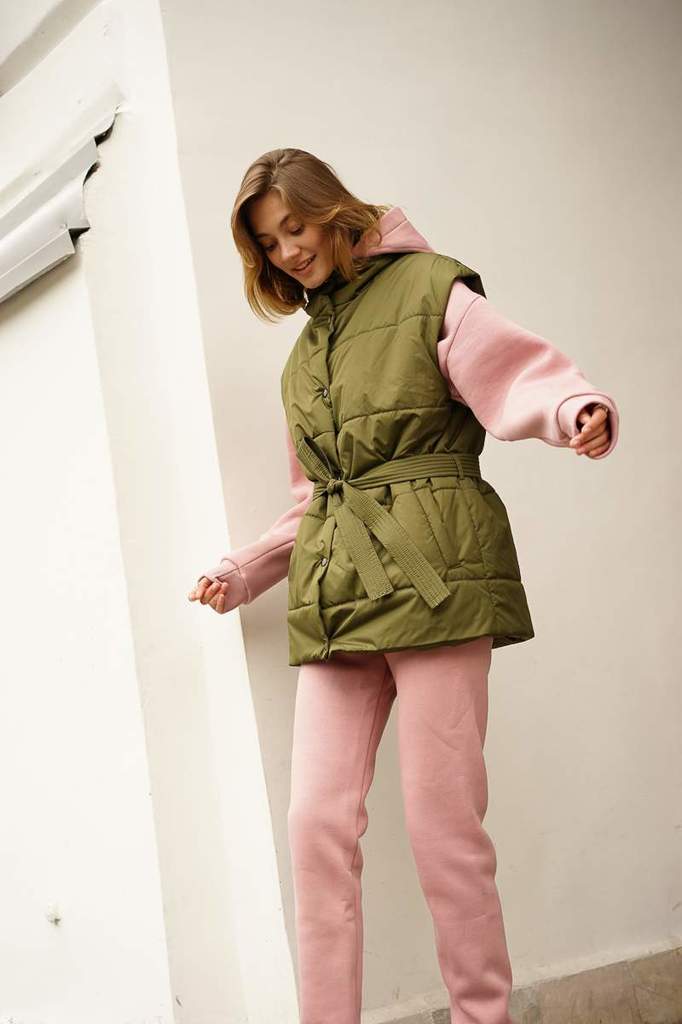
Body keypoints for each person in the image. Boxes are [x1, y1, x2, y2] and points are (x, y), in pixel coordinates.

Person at [188, 148, 619, 1024]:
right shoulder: (302, 361)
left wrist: (571, 408)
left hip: (437, 583)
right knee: (315, 828)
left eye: (296, 227)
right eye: (269, 243)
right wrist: (244, 570)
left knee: (444, 832)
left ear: (332, 210)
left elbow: (516, 369)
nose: (288, 251)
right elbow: (317, 498)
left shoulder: (431, 286)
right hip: (336, 596)